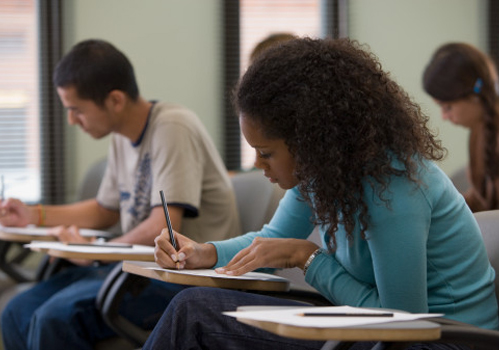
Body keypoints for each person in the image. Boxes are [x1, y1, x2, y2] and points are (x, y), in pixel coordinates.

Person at [144, 37, 498, 350]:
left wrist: (309, 259)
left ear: (312, 143)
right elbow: (271, 240)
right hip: (373, 328)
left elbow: (402, 323)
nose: (259, 165)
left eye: (266, 153)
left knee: (195, 314)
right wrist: (204, 253)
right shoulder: (321, 174)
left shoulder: (394, 189)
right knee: (193, 308)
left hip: (443, 341)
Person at [0, 39, 241, 350]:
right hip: (132, 270)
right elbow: (105, 210)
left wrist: (94, 251)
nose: (72, 120)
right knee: (16, 311)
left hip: (179, 279)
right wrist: (35, 215)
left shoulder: (172, 126)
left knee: (54, 318)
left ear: (114, 100)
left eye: (76, 110)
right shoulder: (121, 137)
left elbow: (162, 228)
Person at [423, 42, 499, 212]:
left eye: (447, 107)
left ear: (473, 96)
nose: (444, 117)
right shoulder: (480, 130)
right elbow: (484, 198)